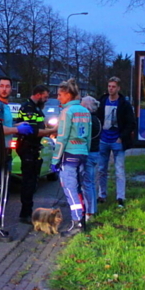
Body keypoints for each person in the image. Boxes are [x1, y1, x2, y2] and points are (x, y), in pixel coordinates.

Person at [0, 77, 33, 241]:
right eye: (2, 86)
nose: (4, 89)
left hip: (4, 152)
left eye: (7, 86)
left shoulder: (4, 106)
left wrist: (18, 128)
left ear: (11, 89)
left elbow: (4, 128)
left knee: (0, 191)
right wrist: (17, 129)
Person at [50, 78, 91, 237]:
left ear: (68, 94)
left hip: (69, 155)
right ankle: (83, 219)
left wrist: (55, 160)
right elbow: (88, 137)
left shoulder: (67, 112)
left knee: (69, 189)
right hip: (82, 153)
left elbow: (62, 137)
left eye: (60, 95)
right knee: (79, 188)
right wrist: (85, 152)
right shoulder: (85, 111)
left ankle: (77, 223)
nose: (58, 98)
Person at [15, 85, 56, 223]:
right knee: (28, 182)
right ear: (38, 95)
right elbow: (34, 131)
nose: (46, 99)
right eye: (45, 96)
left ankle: (27, 211)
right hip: (27, 147)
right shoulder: (28, 108)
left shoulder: (36, 108)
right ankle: (25, 214)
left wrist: (50, 128)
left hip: (33, 148)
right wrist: (54, 130)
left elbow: (41, 125)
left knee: (32, 182)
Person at [96, 77, 136, 208]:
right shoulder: (102, 101)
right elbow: (96, 118)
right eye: (109, 86)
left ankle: (120, 197)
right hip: (103, 139)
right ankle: (102, 194)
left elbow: (131, 122)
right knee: (102, 169)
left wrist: (122, 137)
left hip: (117, 140)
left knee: (119, 170)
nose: (110, 88)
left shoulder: (124, 104)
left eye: (113, 86)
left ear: (118, 88)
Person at [80, 95, 103, 229]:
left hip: (89, 153)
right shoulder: (97, 120)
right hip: (95, 153)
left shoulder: (88, 120)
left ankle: (89, 211)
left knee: (87, 184)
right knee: (91, 183)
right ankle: (92, 208)